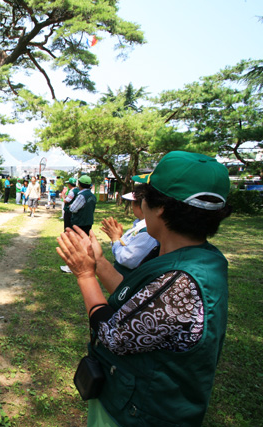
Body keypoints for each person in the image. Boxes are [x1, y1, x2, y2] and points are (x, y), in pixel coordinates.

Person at [56, 151, 232, 426]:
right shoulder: (195, 257)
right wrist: (100, 262)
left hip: (139, 414)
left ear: (159, 207)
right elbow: (137, 301)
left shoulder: (182, 281)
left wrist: (84, 274)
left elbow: (114, 336)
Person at [101, 192, 159, 275]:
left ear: (141, 205)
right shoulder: (139, 224)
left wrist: (115, 239)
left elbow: (127, 259)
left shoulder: (148, 233)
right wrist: (118, 239)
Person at [61, 175, 97, 273]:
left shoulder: (81, 196)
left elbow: (73, 208)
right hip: (88, 222)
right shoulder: (92, 196)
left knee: (76, 244)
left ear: (79, 184)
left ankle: (72, 266)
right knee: (85, 244)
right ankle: (85, 263)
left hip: (79, 223)